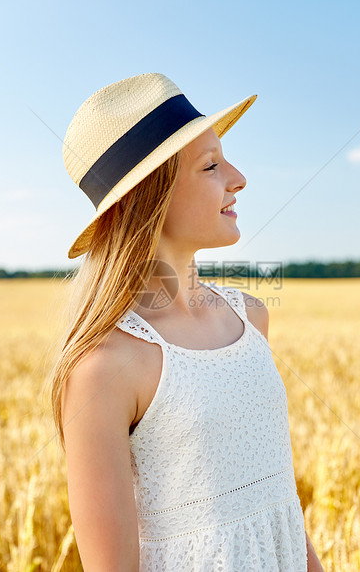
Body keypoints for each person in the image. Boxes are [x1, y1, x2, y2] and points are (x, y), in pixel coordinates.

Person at [50, 72, 324, 571]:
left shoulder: (251, 318)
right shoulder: (103, 367)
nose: (237, 178)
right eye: (210, 166)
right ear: (147, 197)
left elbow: (276, 502)